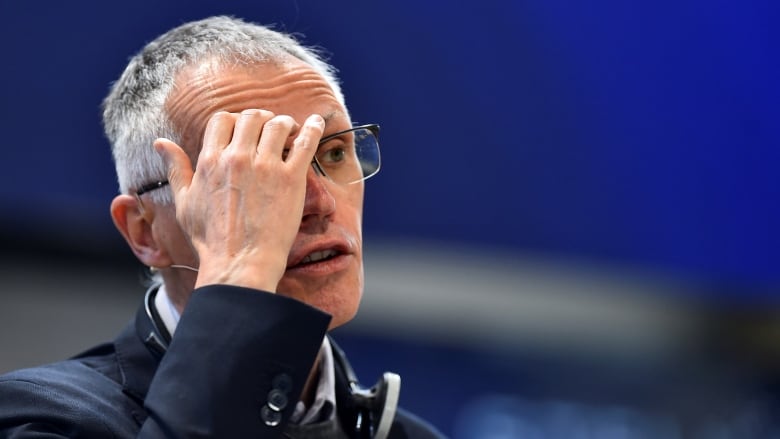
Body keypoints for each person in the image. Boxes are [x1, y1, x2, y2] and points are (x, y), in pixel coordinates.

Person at [0, 15, 444, 438]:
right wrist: (243, 274)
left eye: (333, 153)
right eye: (251, 174)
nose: (320, 202)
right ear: (145, 231)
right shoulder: (40, 419)